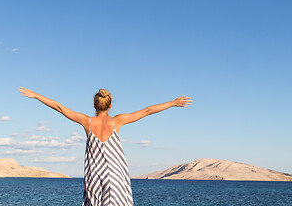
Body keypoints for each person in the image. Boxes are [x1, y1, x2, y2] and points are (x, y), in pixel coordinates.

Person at [18, 87, 192, 206]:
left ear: (94, 106)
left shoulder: (87, 122)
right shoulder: (117, 121)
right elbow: (147, 111)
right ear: (110, 105)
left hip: (94, 176)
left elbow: (59, 108)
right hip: (115, 177)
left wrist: (36, 95)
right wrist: (173, 103)